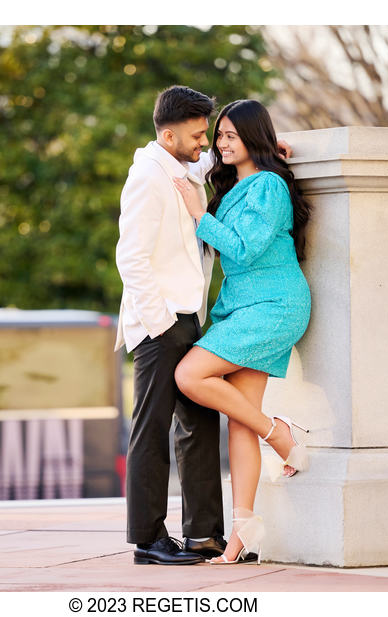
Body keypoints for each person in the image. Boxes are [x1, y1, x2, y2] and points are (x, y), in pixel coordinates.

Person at [116, 86, 292, 566]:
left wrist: (270, 149)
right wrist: (158, 323)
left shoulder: (185, 166)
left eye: (209, 136)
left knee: (197, 424)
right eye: (198, 136)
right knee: (150, 429)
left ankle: (204, 536)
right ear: (169, 135)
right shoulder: (148, 177)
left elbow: (224, 161)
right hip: (159, 321)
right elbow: (129, 258)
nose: (206, 144)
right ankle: (148, 539)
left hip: (190, 316)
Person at [171, 99, 312, 565]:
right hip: (242, 309)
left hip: (273, 306)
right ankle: (243, 531)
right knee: (240, 419)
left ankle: (281, 434)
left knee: (190, 376)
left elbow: (244, 250)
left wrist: (198, 214)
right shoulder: (237, 186)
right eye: (220, 136)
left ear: (253, 138)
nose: (221, 143)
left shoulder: (268, 185)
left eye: (232, 135)